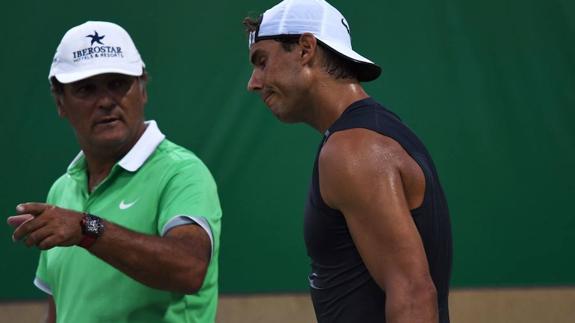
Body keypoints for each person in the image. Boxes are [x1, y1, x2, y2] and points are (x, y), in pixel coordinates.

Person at [243, 0, 452, 322]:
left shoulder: (354, 149)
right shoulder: (368, 135)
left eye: (262, 61)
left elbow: (413, 295)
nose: (253, 83)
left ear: (305, 48)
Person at [7, 21, 222, 323]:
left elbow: (189, 267)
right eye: (86, 89)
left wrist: (86, 228)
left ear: (143, 89)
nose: (106, 101)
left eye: (118, 84)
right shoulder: (61, 191)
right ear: (60, 103)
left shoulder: (182, 172)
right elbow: (61, 311)